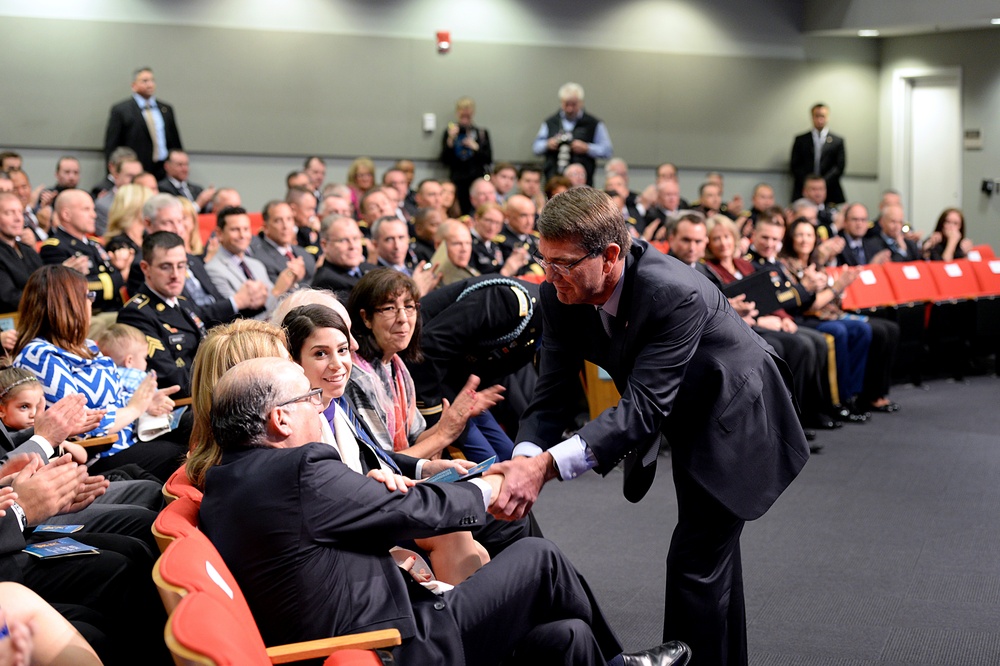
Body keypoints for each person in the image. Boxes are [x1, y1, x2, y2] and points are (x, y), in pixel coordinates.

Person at [489, 187, 808, 666]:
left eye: (564, 264)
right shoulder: (557, 294)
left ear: (611, 256)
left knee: (694, 563)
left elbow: (642, 409)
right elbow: (550, 394)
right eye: (543, 260)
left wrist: (546, 468)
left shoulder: (671, 290)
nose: (550, 276)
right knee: (713, 563)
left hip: (738, 414)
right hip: (683, 412)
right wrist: (522, 460)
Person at [199, 356, 690, 666]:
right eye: (308, 398)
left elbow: (314, 544)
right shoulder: (299, 470)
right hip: (397, 644)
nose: (318, 405)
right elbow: (415, 509)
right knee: (540, 560)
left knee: (568, 638)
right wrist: (489, 487)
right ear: (280, 418)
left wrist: (369, 497)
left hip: (369, 631)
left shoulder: (227, 482)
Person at [12, 265, 184, 481]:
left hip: (131, 434)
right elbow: (79, 423)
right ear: (67, 304)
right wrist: (134, 408)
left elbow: (114, 399)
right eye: (87, 295)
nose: (91, 301)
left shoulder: (88, 345)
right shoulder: (39, 355)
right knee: (181, 455)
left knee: (196, 426)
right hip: (98, 455)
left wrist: (146, 403)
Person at [345, 269, 513, 463]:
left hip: (402, 478)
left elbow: (416, 438)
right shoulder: (359, 378)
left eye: (409, 307)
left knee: (501, 462)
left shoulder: (397, 366)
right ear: (365, 318)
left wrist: (455, 418)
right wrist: (443, 435)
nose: (403, 318)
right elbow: (384, 461)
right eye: (390, 308)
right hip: (381, 484)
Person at [780, 218, 901, 414]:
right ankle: (841, 398)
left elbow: (831, 300)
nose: (804, 240)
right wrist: (836, 286)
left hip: (829, 313)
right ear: (791, 239)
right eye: (799, 235)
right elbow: (807, 304)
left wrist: (837, 288)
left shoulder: (816, 262)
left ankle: (859, 393)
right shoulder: (785, 265)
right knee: (841, 331)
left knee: (879, 329)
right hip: (804, 317)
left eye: (809, 235)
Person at [117, 232, 208, 397]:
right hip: (178, 406)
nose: (175, 275)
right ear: (145, 268)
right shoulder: (136, 314)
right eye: (166, 267)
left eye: (181, 266)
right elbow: (170, 378)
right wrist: (218, 379)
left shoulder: (183, 302)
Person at [103, 67, 183, 178]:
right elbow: (112, 145)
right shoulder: (121, 110)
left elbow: (175, 141)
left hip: (163, 168)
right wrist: (111, 175)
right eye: (145, 81)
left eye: (152, 80)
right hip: (135, 168)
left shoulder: (166, 109)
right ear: (134, 86)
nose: (150, 84)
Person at [532, 82, 613, 186]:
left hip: (583, 183)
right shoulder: (550, 122)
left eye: (573, 104)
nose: (570, 108)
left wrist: (587, 148)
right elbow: (535, 148)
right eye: (566, 104)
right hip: (554, 181)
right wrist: (548, 144)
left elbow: (607, 150)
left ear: (581, 102)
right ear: (561, 102)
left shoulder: (594, 123)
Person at [440, 96, 493, 215]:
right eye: (462, 110)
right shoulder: (450, 132)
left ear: (472, 113)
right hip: (457, 180)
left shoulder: (481, 133)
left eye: (468, 111)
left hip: (476, 178)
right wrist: (450, 141)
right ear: (457, 112)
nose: (465, 113)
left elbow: (488, 158)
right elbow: (444, 160)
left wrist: (476, 147)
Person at [790, 103, 845, 205]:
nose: (820, 119)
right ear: (812, 117)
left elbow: (839, 167)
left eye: (823, 116)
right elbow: (795, 165)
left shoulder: (837, 141)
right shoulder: (801, 140)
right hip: (804, 188)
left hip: (830, 190)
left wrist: (822, 183)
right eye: (817, 116)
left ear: (828, 117)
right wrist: (809, 183)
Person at [0, 191, 43, 313]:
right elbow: (8, 298)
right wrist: (46, 302)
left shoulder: (28, 250)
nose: (18, 219)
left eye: (20, 212)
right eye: (9, 213)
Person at [430, 220, 479, 286]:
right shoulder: (430, 279)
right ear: (438, 245)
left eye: (468, 243)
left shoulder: (472, 273)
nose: (464, 249)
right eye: (457, 243)